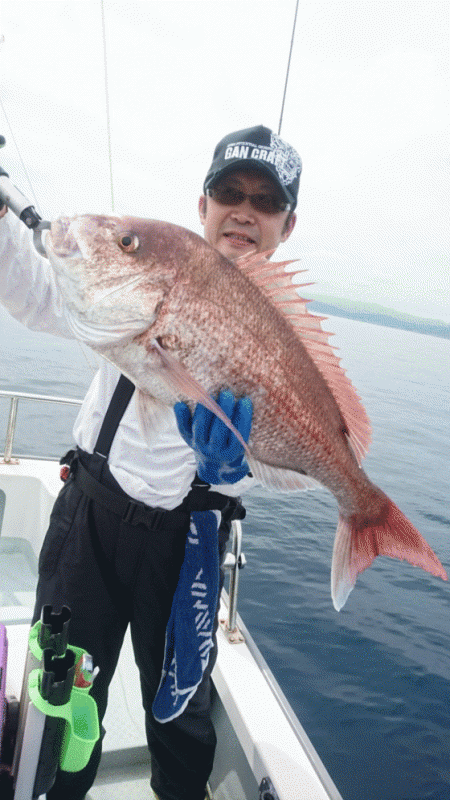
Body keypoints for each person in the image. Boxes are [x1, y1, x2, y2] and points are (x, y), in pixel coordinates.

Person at [0, 124, 301, 800]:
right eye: (230, 192)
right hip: (91, 521)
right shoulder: (146, 278)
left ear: (286, 224)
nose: (245, 210)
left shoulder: (276, 324)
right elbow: (35, 293)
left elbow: (281, 435)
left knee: (180, 709)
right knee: (63, 692)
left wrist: (234, 471)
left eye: (266, 201)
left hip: (187, 542)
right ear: (204, 206)